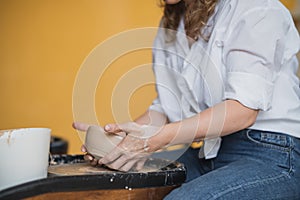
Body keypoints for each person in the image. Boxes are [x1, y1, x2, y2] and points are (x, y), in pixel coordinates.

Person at [73, 0, 300, 199]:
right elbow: (167, 107)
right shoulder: (171, 26)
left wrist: (154, 141)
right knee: (133, 188)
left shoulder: (255, 8)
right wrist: (121, 141)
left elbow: (242, 111)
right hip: (212, 150)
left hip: (274, 152)